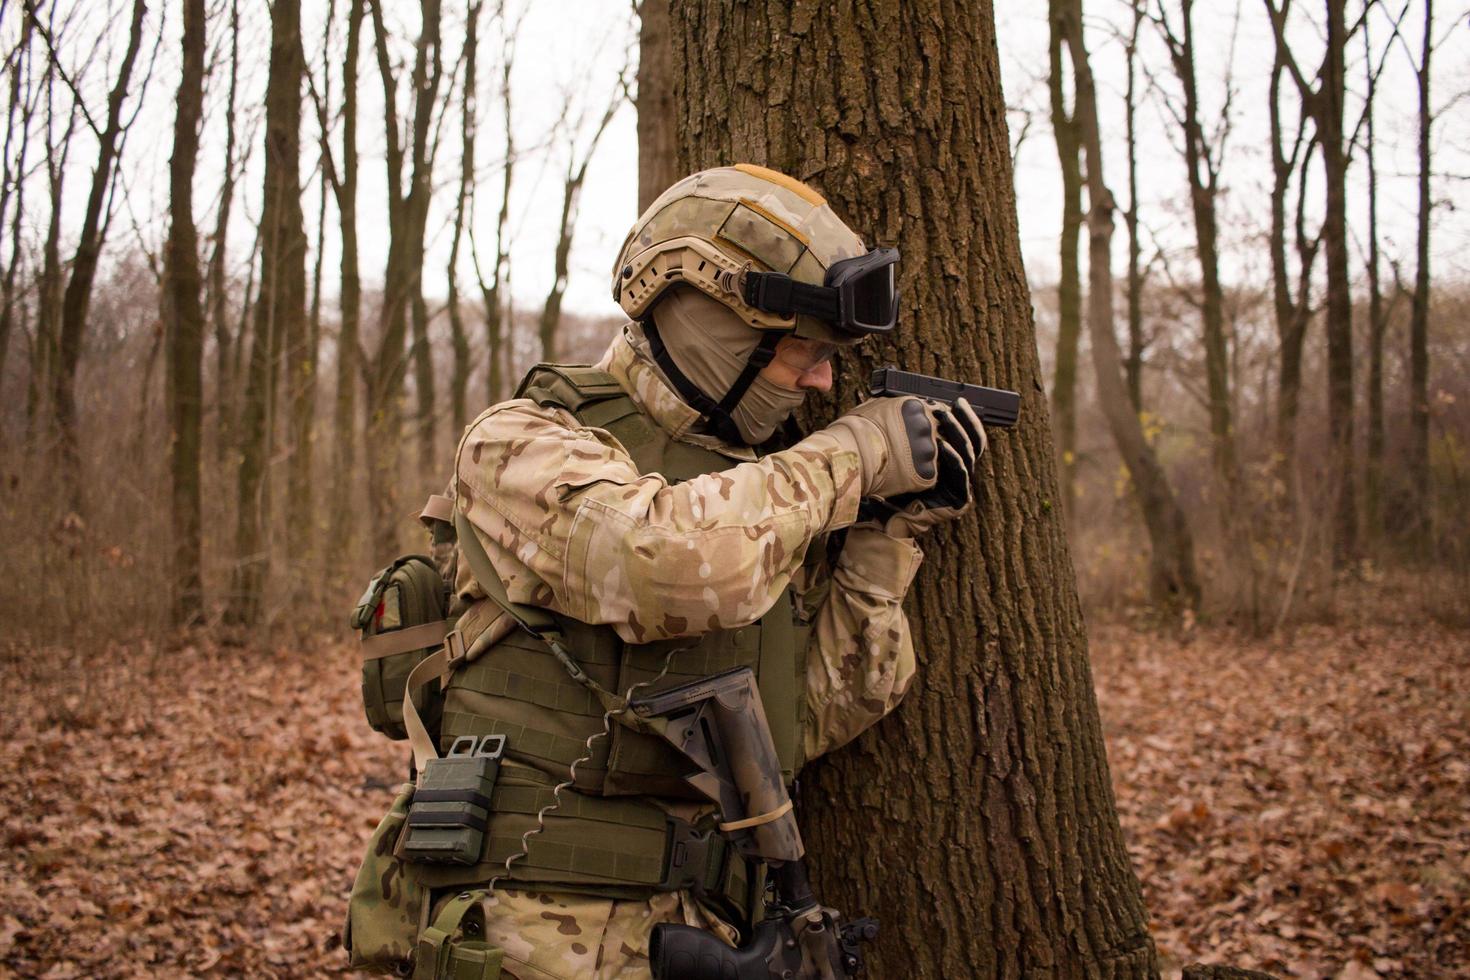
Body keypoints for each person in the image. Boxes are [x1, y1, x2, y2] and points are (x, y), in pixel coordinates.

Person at [433, 164, 984, 979]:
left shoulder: (759, 497)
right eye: (806, 349)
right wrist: (853, 456)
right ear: (711, 324)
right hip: (535, 929)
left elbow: (800, 721)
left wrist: (885, 534)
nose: (826, 380)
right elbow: (668, 565)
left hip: (704, 936)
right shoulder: (522, 441)